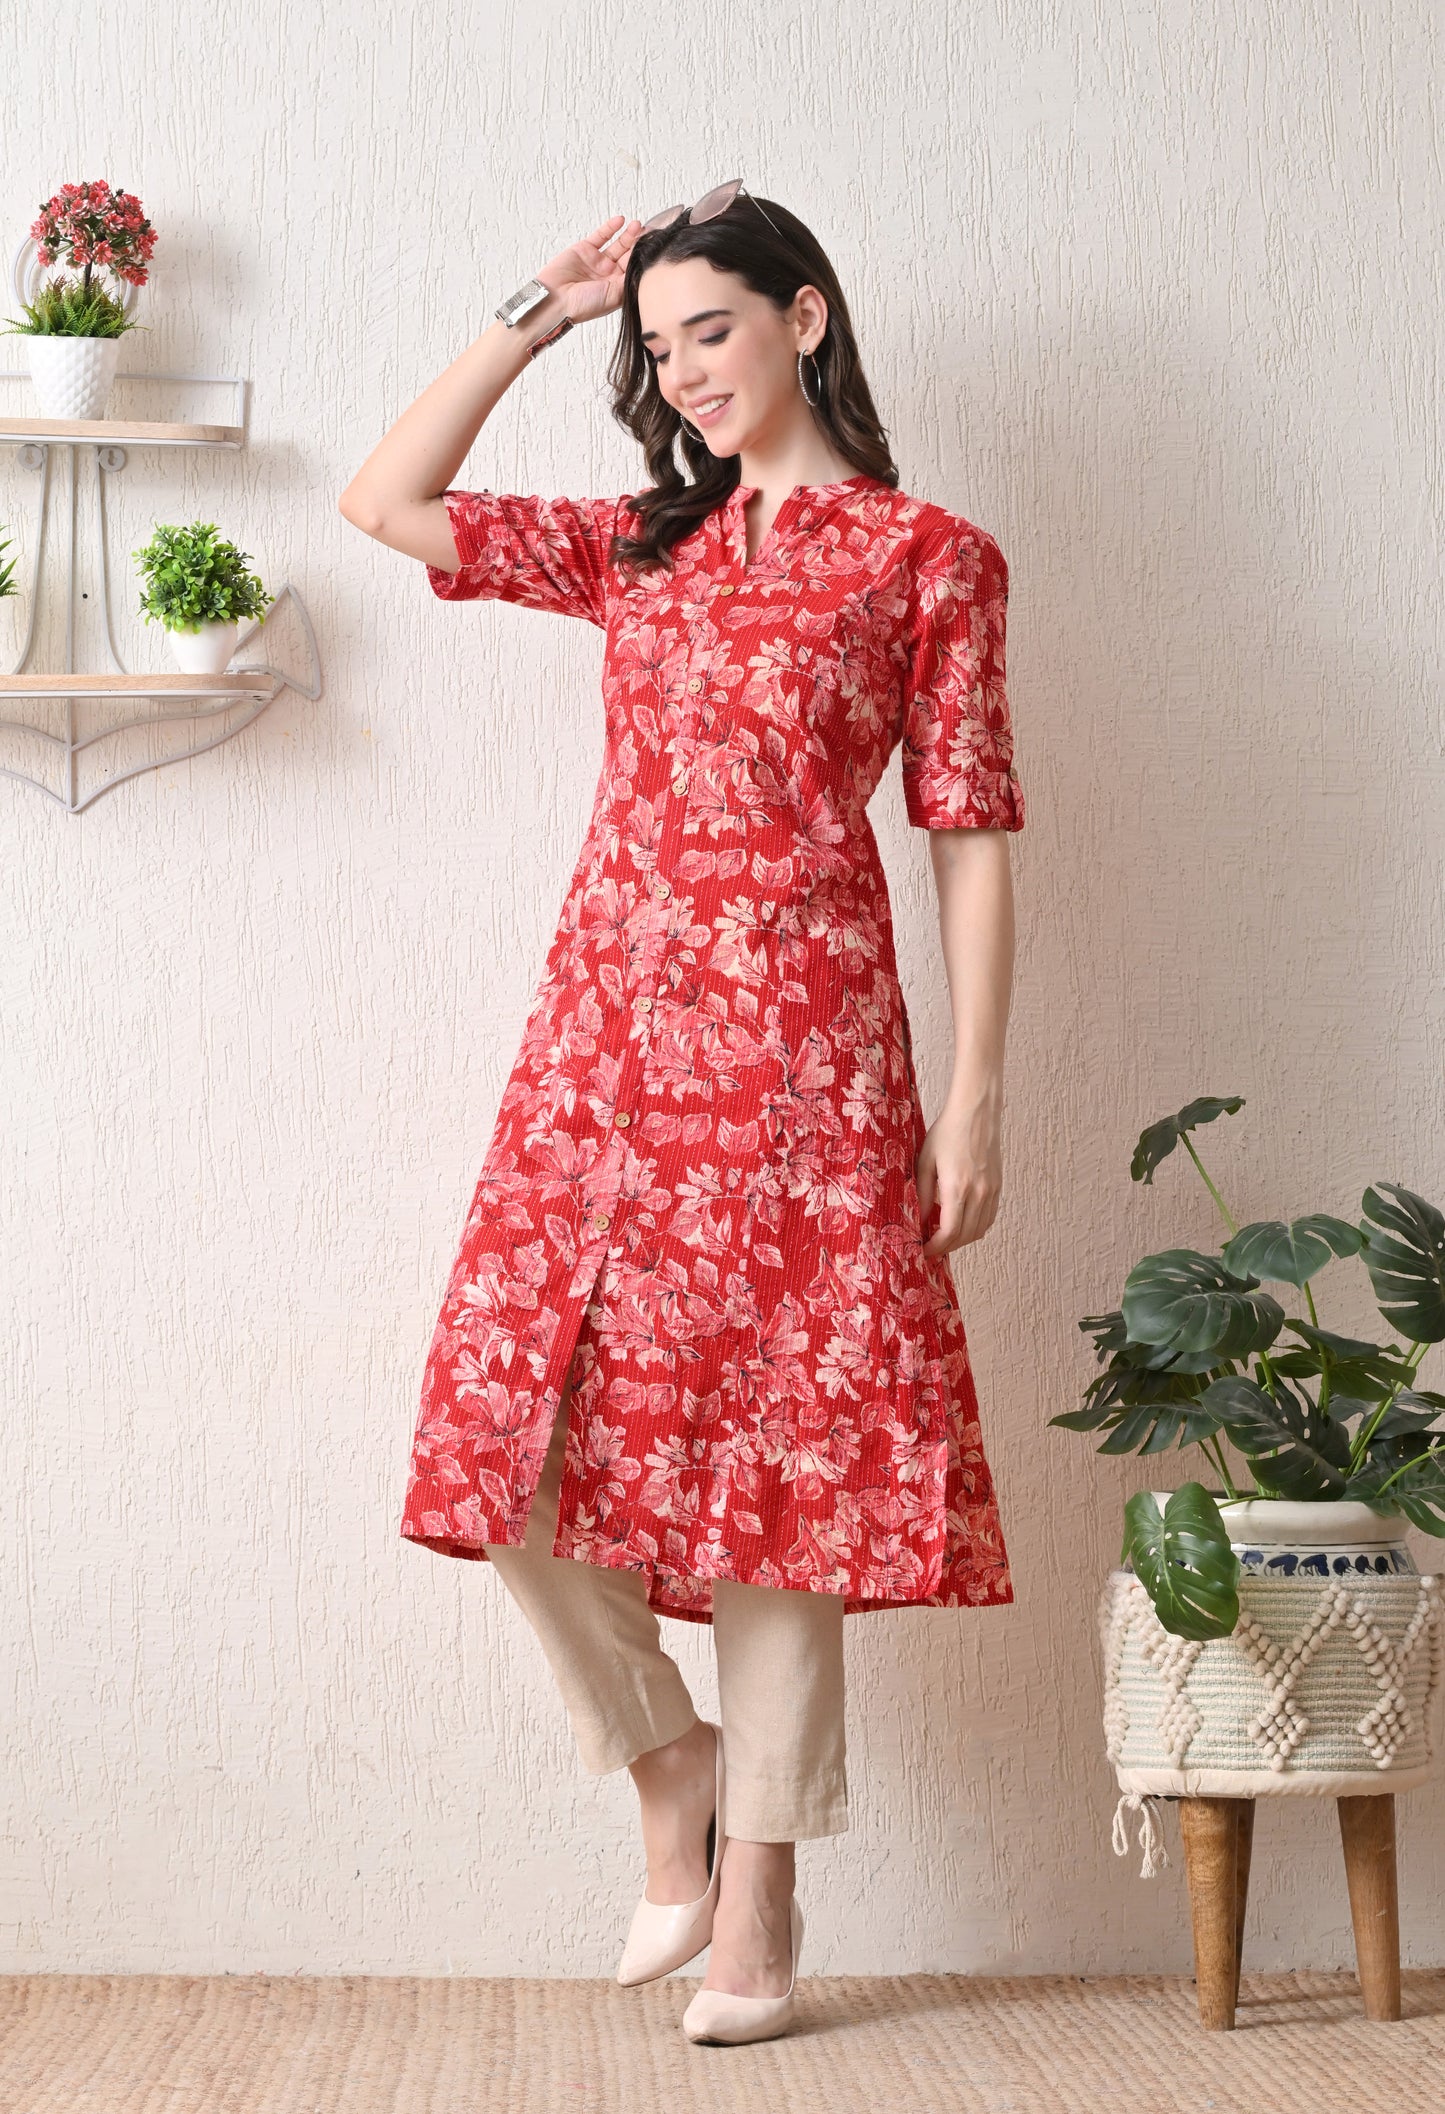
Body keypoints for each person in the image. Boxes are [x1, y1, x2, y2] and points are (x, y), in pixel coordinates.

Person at [339, 181, 1024, 2046]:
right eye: (659, 349)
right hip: (602, 1052)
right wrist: (544, 308)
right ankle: (674, 1764)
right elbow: (385, 502)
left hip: (809, 1053)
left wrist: (974, 1094)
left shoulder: (928, 558)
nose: (684, 372)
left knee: (780, 1457)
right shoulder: (642, 546)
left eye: (707, 330)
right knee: (498, 1419)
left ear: (805, 316)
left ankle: (762, 1886)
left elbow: (966, 830)